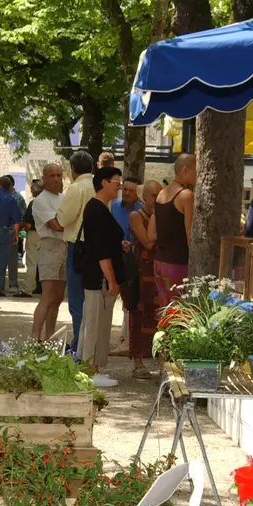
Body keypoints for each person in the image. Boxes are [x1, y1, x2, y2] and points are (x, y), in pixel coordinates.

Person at [77, 166, 125, 387]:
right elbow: (100, 250)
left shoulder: (100, 208)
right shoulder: (96, 209)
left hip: (99, 274)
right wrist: (112, 279)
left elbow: (105, 244)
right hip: (98, 277)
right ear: (104, 182)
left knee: (100, 321)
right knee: (94, 323)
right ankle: (89, 370)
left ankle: (94, 367)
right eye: (117, 182)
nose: (119, 187)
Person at [56, 150, 96, 352]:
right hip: (97, 247)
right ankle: (89, 344)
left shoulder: (77, 188)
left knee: (77, 299)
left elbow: (63, 219)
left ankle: (79, 344)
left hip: (78, 247)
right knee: (93, 299)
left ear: (72, 169)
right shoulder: (99, 186)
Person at [150, 154, 196, 307]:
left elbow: (154, 230)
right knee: (179, 311)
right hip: (177, 262)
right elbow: (189, 232)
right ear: (185, 170)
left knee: (165, 309)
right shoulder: (186, 196)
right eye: (196, 170)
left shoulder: (161, 194)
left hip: (159, 261)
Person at [127, 181, 163, 379]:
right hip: (141, 272)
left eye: (159, 195)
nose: (157, 199)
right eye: (153, 196)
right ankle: (137, 361)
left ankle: (159, 358)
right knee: (139, 315)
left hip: (158, 272)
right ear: (145, 197)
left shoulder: (159, 216)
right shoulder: (136, 216)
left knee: (158, 315)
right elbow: (148, 242)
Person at [30, 163, 65, 341]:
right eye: (52, 175)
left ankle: (49, 337)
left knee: (58, 297)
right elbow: (56, 226)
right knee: (48, 295)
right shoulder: (40, 200)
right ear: (43, 179)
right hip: (49, 247)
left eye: (58, 175)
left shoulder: (64, 197)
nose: (56, 179)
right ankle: (35, 338)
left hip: (64, 247)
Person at [110, 176, 142, 355]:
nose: (127, 193)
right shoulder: (113, 207)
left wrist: (131, 244)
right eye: (125, 190)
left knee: (129, 297)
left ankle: (127, 339)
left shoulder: (141, 209)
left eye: (131, 191)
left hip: (132, 258)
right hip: (114, 256)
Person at [6, 177, 28, 297]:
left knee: (1, 259)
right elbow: (22, 218)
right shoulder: (18, 198)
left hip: (9, 230)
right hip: (12, 231)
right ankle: (13, 284)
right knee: (12, 260)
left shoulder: (16, 198)